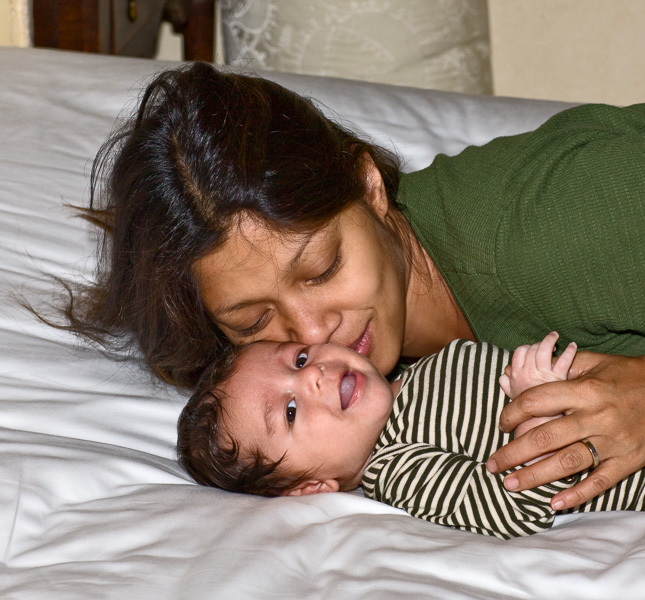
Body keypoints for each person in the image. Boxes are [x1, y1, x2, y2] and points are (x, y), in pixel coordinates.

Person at [65, 61, 645, 512]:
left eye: (322, 270)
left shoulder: (563, 224)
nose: (314, 332)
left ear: (369, 186)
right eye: (252, 322)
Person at [177, 332, 645, 540]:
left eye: (298, 359)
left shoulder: (411, 371)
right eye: (291, 411)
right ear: (311, 487)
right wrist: (534, 411)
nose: (313, 375)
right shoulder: (397, 469)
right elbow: (514, 509)